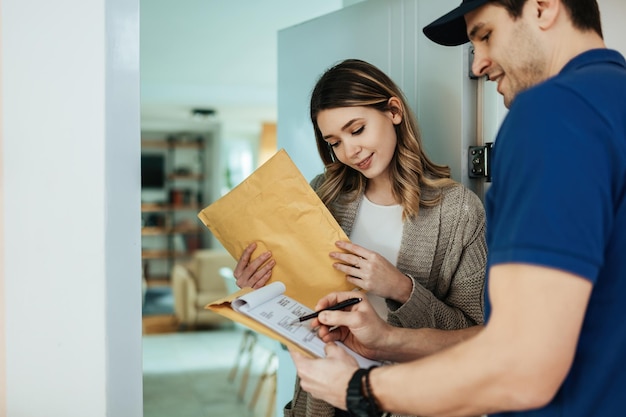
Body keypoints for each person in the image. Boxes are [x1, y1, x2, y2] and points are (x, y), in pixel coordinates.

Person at [289, 0, 626, 416]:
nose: (476, 65)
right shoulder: (614, 100)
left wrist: (362, 389)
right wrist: (384, 341)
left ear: (542, 7)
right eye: (334, 141)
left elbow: (520, 364)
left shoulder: (550, 113)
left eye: (485, 35)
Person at [233, 58, 488, 417]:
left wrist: (401, 287)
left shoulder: (459, 210)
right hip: (326, 398)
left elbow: (475, 334)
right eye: (334, 141)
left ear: (393, 111)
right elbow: (300, 306)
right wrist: (260, 288)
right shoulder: (323, 195)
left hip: (408, 400)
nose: (349, 151)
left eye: (357, 130)